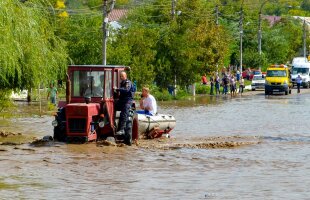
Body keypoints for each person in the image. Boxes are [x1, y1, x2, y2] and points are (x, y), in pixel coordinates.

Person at [114, 71, 135, 135]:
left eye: (122, 76)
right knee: (112, 107)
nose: (121, 77)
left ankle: (122, 129)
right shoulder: (121, 83)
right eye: (120, 76)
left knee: (124, 112)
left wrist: (117, 89)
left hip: (127, 101)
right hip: (121, 100)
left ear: (125, 76)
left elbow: (126, 90)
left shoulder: (127, 82)